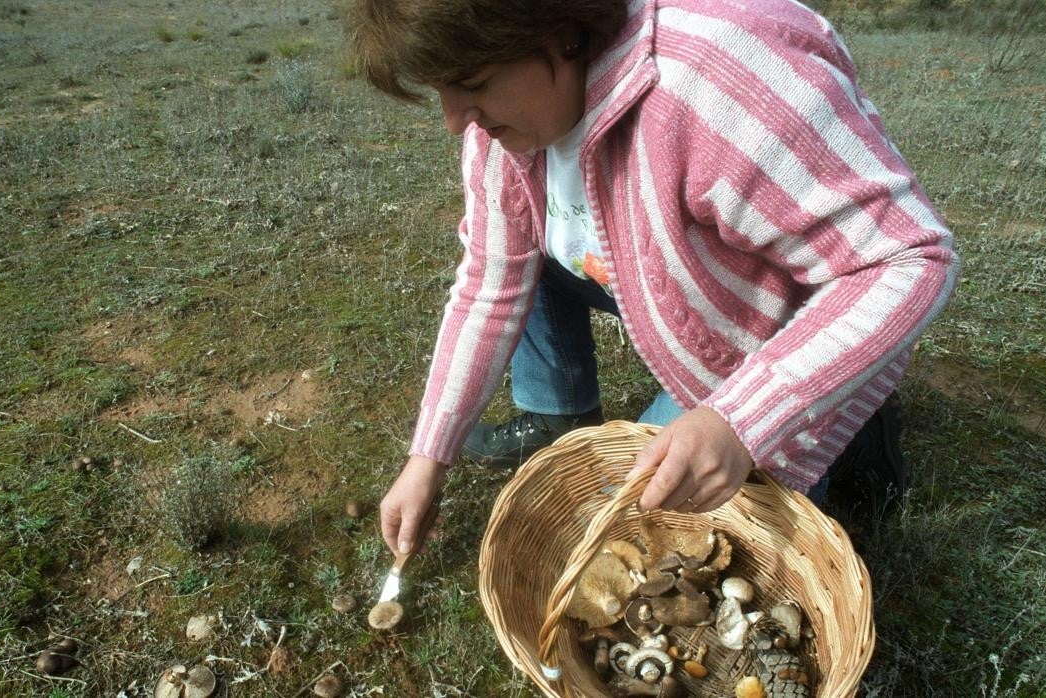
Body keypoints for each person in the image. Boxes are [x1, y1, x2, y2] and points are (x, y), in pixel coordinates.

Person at [347, 0, 959, 558]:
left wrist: (740, 420)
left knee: (642, 526)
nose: (457, 121)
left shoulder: (715, 80)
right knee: (525, 250)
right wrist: (428, 456)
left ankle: (849, 416)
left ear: (562, 34)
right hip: (639, 266)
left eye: (475, 83)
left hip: (772, 332)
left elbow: (908, 258)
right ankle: (558, 417)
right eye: (442, 91)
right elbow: (490, 283)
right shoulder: (502, 134)